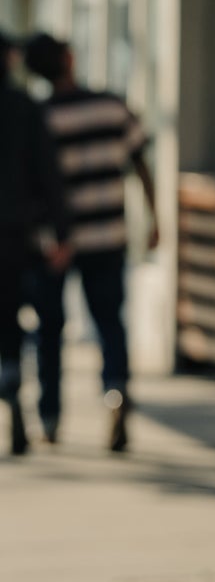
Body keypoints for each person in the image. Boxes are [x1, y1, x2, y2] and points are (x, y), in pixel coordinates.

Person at [22, 33, 156, 452]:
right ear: (68, 59)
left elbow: (34, 186)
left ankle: (49, 415)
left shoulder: (40, 117)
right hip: (108, 232)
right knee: (109, 321)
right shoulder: (111, 105)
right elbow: (140, 162)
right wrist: (155, 218)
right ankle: (115, 392)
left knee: (50, 329)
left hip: (56, 243)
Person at [1, 30, 69, 456]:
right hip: (13, 237)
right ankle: (17, 404)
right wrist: (60, 232)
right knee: (12, 322)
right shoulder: (24, 108)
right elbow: (49, 176)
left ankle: (15, 401)